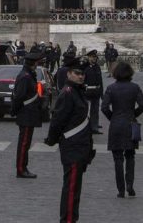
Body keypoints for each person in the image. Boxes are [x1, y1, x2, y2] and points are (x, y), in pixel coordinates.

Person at [44, 57, 95, 223]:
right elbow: (58, 119)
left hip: (80, 147)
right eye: (77, 73)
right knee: (71, 188)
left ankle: (71, 218)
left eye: (83, 74)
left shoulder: (77, 91)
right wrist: (51, 139)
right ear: (69, 73)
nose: (81, 76)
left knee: (75, 188)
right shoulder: (68, 93)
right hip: (73, 147)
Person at [101, 61, 143, 197]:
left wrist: (113, 117)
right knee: (130, 156)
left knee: (117, 158)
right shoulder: (135, 87)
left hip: (116, 124)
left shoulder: (110, 88)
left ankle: (120, 189)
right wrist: (133, 115)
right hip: (130, 123)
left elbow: (104, 108)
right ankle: (130, 184)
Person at [12, 52, 45, 179]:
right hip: (26, 114)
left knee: (26, 143)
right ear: (33, 63)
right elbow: (19, 97)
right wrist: (15, 111)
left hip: (29, 114)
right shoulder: (25, 77)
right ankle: (21, 169)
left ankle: (23, 167)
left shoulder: (28, 75)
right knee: (24, 144)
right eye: (37, 62)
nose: (38, 65)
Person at [84, 49, 104, 134]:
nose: (94, 59)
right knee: (84, 110)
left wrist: (102, 93)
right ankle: (84, 127)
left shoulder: (97, 67)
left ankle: (94, 127)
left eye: (95, 57)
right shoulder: (84, 67)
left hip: (96, 91)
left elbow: (100, 81)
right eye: (92, 57)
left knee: (95, 110)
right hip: (86, 91)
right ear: (88, 57)